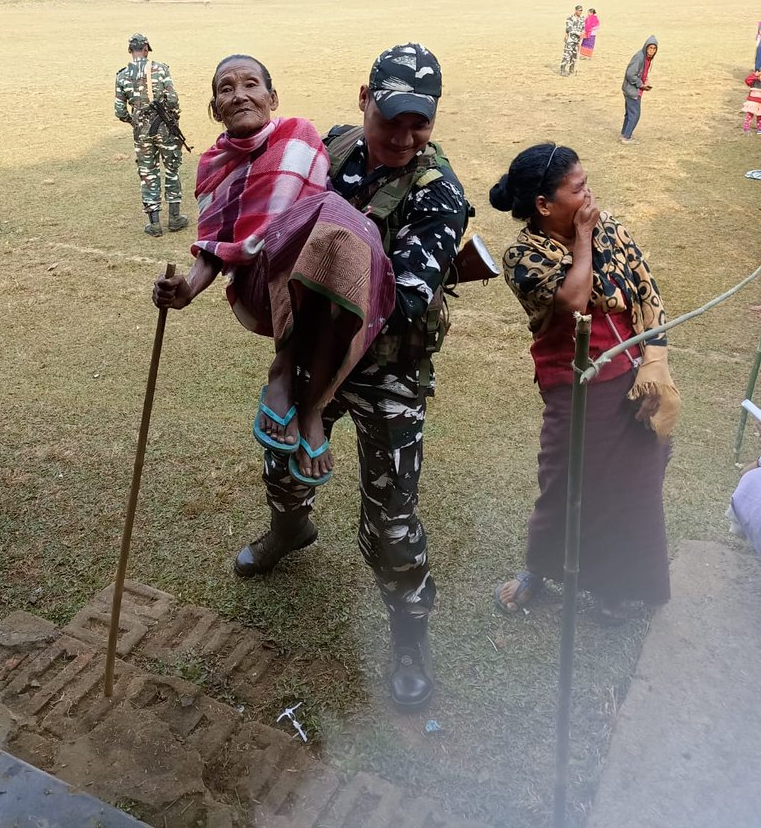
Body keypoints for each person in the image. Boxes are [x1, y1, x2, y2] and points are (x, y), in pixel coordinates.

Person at [215, 44, 469, 711]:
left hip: (389, 367)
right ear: (365, 98)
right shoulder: (334, 148)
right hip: (312, 350)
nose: (403, 136)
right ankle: (289, 527)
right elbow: (271, 202)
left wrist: (326, 262)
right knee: (280, 456)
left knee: (390, 520)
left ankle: (409, 636)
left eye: (420, 123)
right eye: (392, 119)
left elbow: (402, 302)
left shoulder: (437, 194)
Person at [153, 54, 395, 491]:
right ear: (214, 108)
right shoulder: (212, 165)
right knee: (322, 217)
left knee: (338, 226)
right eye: (226, 88)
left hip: (316, 285)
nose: (240, 94)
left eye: (251, 84)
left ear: (272, 97)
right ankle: (282, 371)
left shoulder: (299, 135)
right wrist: (186, 288)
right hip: (256, 289)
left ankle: (311, 408)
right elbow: (214, 247)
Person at [489, 143, 679, 623]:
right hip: (575, 386)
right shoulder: (523, 255)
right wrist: (583, 239)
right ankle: (541, 568)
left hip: (633, 377)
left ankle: (619, 587)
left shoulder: (609, 226)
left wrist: (655, 366)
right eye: (578, 189)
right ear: (544, 205)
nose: (590, 195)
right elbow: (574, 301)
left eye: (586, 182)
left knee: (634, 485)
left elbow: (645, 289)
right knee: (565, 483)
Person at [115, 34, 189, 236]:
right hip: (164, 126)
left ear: (130, 50)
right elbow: (173, 100)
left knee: (148, 173)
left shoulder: (121, 76)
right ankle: (174, 218)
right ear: (146, 49)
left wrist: (135, 121)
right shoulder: (160, 69)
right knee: (172, 168)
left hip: (141, 131)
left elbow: (120, 111)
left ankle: (154, 223)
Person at [620, 35, 658, 142]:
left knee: (629, 113)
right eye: (650, 48)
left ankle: (624, 133)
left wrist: (645, 81)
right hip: (632, 90)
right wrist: (641, 84)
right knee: (635, 114)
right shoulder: (640, 57)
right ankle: (627, 138)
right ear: (646, 47)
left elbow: (641, 72)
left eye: (654, 48)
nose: (652, 51)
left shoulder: (647, 58)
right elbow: (630, 74)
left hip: (632, 89)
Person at [560, 5, 585, 76]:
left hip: (577, 41)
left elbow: (583, 27)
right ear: (576, 10)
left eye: (581, 10)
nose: (580, 12)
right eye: (579, 10)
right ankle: (562, 69)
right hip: (570, 40)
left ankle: (571, 69)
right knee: (567, 55)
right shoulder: (570, 18)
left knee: (574, 56)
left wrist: (582, 33)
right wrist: (578, 33)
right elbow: (569, 29)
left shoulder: (582, 19)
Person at [742, 69, 761, 133]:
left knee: (760, 116)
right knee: (750, 114)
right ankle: (746, 127)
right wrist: (754, 75)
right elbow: (747, 80)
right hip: (753, 102)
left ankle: (759, 129)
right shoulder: (753, 81)